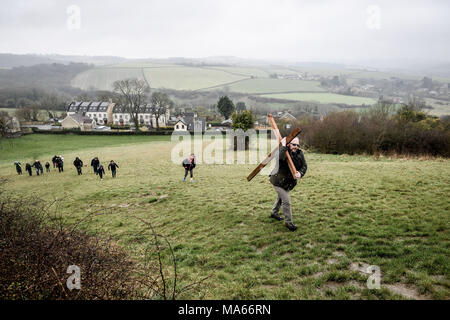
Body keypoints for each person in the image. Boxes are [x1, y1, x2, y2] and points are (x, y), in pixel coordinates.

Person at [269, 137, 307, 232]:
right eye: (294, 144)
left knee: (281, 197)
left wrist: (300, 173)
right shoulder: (283, 152)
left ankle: (274, 212)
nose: (296, 147)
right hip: (278, 180)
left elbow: (304, 166)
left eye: (298, 145)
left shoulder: (299, 153)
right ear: (289, 144)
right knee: (286, 201)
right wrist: (283, 146)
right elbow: (279, 159)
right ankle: (288, 222)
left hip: (288, 183)